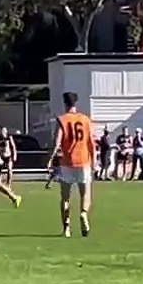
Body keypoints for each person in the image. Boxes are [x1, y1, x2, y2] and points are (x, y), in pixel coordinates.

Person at [50, 91, 95, 238]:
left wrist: (51, 159)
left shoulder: (62, 120)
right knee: (85, 193)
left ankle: (67, 228)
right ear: (76, 103)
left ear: (65, 103)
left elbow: (57, 143)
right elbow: (91, 143)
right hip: (83, 161)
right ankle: (83, 214)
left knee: (65, 197)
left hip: (67, 162)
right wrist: (94, 161)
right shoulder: (85, 119)